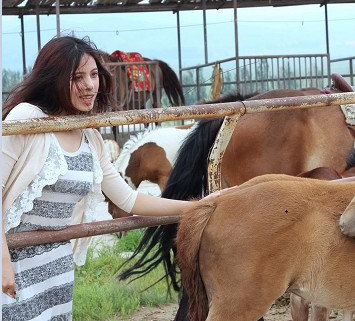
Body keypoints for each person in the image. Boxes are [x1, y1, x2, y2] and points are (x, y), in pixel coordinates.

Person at [1, 35, 211, 320]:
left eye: (93, 74)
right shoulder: (27, 118)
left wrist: (199, 205)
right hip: (13, 263)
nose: (89, 85)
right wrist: (3, 261)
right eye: (77, 77)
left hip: (57, 269)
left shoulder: (90, 135)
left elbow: (129, 199)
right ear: (54, 79)